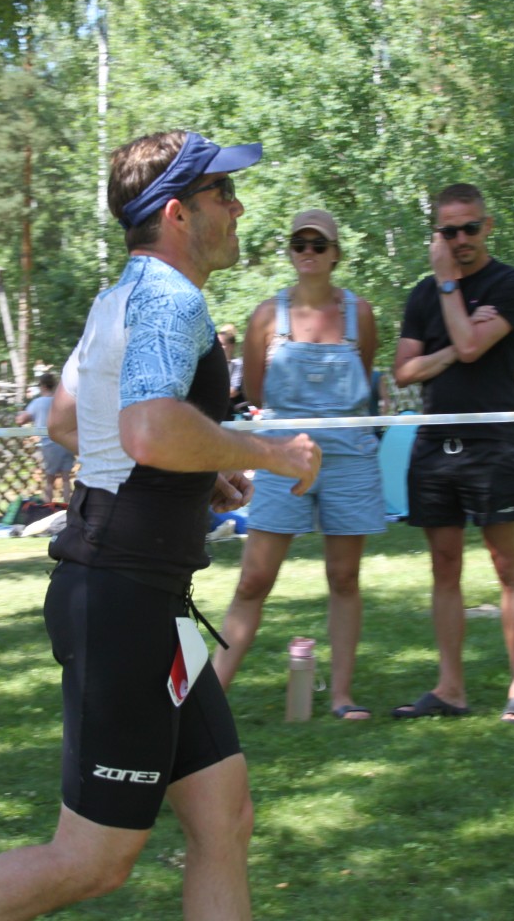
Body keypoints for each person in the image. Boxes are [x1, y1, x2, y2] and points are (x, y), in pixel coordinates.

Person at [0, 130, 321, 921]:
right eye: (223, 194)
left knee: (224, 816)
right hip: (124, 605)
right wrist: (270, 453)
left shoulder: (119, 297)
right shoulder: (170, 299)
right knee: (92, 860)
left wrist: (202, 468)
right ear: (176, 214)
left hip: (152, 605)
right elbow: (149, 430)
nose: (237, 208)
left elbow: (69, 420)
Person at [211, 209, 383, 720]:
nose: (308, 252)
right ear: (290, 252)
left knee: (344, 577)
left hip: (350, 459)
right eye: (299, 244)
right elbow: (256, 391)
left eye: (318, 244)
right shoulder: (267, 315)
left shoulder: (360, 313)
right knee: (254, 579)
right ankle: (209, 701)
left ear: (335, 254)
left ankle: (342, 696)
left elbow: (365, 376)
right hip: (282, 457)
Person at [391, 183, 514, 725]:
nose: (461, 239)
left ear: (487, 226)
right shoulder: (422, 295)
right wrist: (454, 348)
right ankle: (450, 689)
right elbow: (404, 371)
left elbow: (475, 348)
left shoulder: (509, 284)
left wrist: (450, 288)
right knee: (444, 566)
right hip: (434, 444)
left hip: (490, 441)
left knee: (506, 564)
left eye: (470, 228)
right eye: (449, 231)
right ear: (437, 233)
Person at [16, 372, 73, 505]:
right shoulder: (62, 400)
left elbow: (21, 420)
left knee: (49, 480)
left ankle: (47, 508)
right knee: (66, 479)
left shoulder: (38, 402)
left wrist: (20, 415)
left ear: (43, 386)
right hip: (66, 443)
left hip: (49, 444)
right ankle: (68, 507)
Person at [217, 323, 245, 418]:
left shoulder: (238, 364)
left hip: (235, 412)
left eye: (221, 344)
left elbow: (233, 392)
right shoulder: (216, 365)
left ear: (231, 346)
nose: (218, 348)